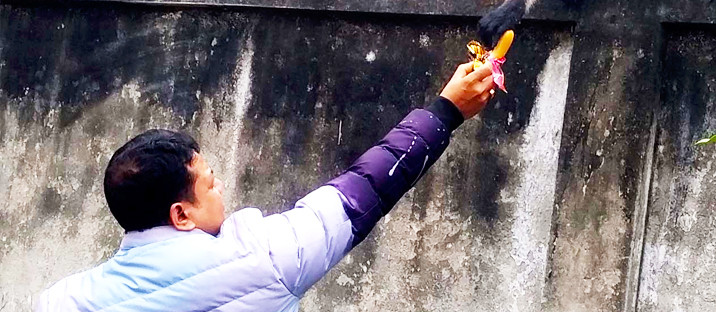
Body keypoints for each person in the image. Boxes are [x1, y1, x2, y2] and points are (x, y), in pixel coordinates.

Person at [37, 62, 496, 312]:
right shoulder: (260, 257)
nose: (221, 190)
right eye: (210, 183)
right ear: (181, 214)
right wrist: (446, 111)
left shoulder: (62, 300)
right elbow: (362, 190)